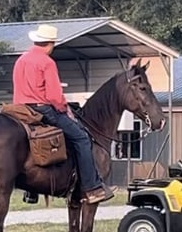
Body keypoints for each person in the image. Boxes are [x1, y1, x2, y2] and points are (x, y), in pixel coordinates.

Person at [12, 23, 114, 204]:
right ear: (50, 44)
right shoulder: (47, 62)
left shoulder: (21, 60)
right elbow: (53, 95)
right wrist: (63, 108)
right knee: (82, 138)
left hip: (21, 109)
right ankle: (92, 188)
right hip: (42, 109)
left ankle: (31, 191)